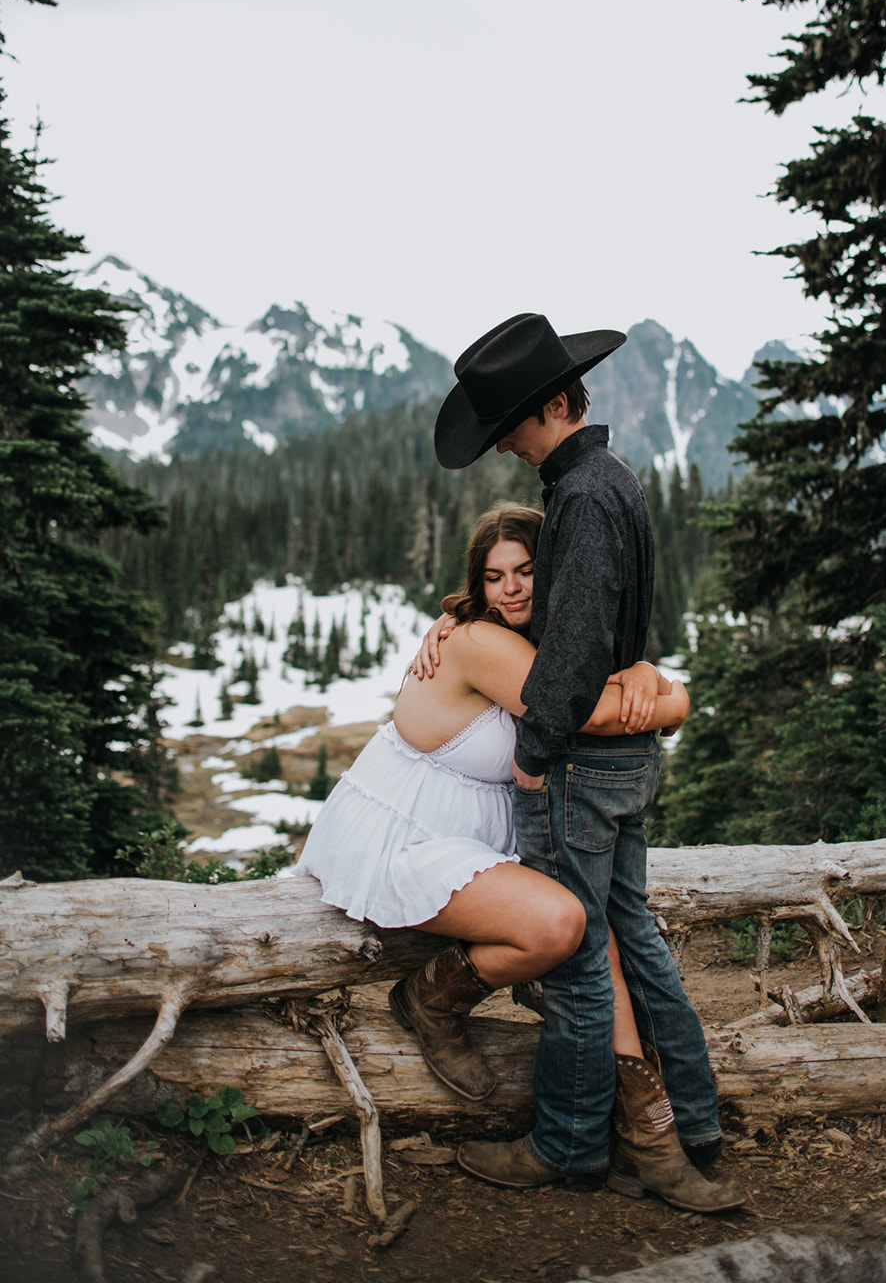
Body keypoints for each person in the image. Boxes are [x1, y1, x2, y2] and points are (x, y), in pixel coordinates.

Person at [425, 313, 743, 1214]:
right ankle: (694, 1118)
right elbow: (607, 631)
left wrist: (534, 751)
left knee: (574, 962)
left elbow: (566, 654)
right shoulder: (609, 484)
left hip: (581, 771)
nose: (509, 449)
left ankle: (569, 1145)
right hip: (627, 759)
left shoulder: (584, 496)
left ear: (556, 405)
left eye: (516, 427)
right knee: (632, 937)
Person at [294, 502, 687, 1106]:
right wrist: (674, 703)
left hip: (477, 839)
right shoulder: (476, 642)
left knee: (593, 925)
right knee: (560, 924)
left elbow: (592, 685)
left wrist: (642, 668)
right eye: (494, 577)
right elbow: (592, 712)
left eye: (526, 571)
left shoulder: (540, 643)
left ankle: (643, 1110)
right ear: (477, 585)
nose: (511, 589)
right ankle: (429, 999)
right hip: (407, 838)